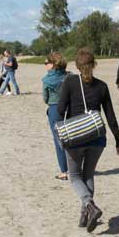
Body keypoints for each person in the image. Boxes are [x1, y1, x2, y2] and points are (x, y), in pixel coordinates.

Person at [56, 48, 119, 232]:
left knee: (75, 176)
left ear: (77, 66)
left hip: (76, 137)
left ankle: (89, 205)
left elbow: (61, 109)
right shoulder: (102, 86)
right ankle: (85, 215)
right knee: (88, 175)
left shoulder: (70, 82)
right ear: (94, 64)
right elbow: (110, 116)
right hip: (97, 137)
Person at [41, 52, 69, 181]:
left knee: (59, 140)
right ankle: (76, 168)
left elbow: (45, 98)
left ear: (53, 65)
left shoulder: (47, 80)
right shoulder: (69, 76)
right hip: (71, 108)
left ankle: (64, 171)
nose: (45, 65)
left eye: (46, 63)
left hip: (55, 109)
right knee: (73, 137)